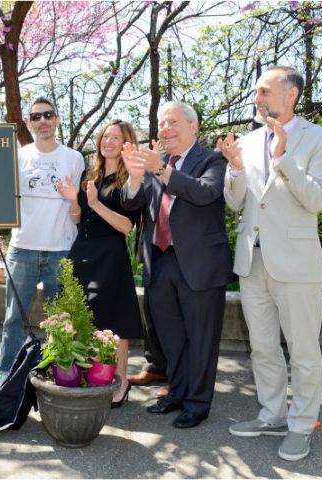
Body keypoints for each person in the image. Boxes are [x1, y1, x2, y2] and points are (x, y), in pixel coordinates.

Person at [218, 66, 322, 461]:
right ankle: (272, 414)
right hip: (252, 261)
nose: (257, 97)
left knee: (303, 351)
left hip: (298, 264)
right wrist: (234, 168)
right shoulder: (249, 141)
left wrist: (283, 157)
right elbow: (236, 202)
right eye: (255, 91)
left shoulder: (321, 138)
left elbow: (316, 200)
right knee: (262, 348)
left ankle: (302, 425)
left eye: (265, 90)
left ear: (291, 95)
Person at [121, 101, 233, 429]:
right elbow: (131, 203)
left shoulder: (212, 159)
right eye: (160, 123)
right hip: (160, 262)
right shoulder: (158, 163)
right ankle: (177, 394)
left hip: (199, 264)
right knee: (171, 338)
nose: (164, 129)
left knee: (201, 338)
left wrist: (163, 170)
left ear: (193, 127)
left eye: (172, 123)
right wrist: (134, 175)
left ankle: (198, 404)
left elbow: (206, 192)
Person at [0, 97, 85, 393]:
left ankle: (60, 373)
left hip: (61, 249)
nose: (42, 121)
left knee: (61, 319)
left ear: (56, 120)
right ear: (28, 124)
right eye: (35, 117)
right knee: (13, 317)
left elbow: (77, 204)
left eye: (48, 115)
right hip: (23, 248)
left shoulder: (74, 158)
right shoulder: (16, 156)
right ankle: (5, 372)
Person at [57, 120, 143, 407]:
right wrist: (74, 201)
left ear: (125, 143)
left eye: (116, 137)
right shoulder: (89, 173)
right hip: (83, 250)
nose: (109, 141)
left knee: (114, 320)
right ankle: (88, 374)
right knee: (81, 315)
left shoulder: (130, 178)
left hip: (110, 255)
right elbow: (80, 218)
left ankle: (121, 382)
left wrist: (95, 204)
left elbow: (126, 227)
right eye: (106, 136)